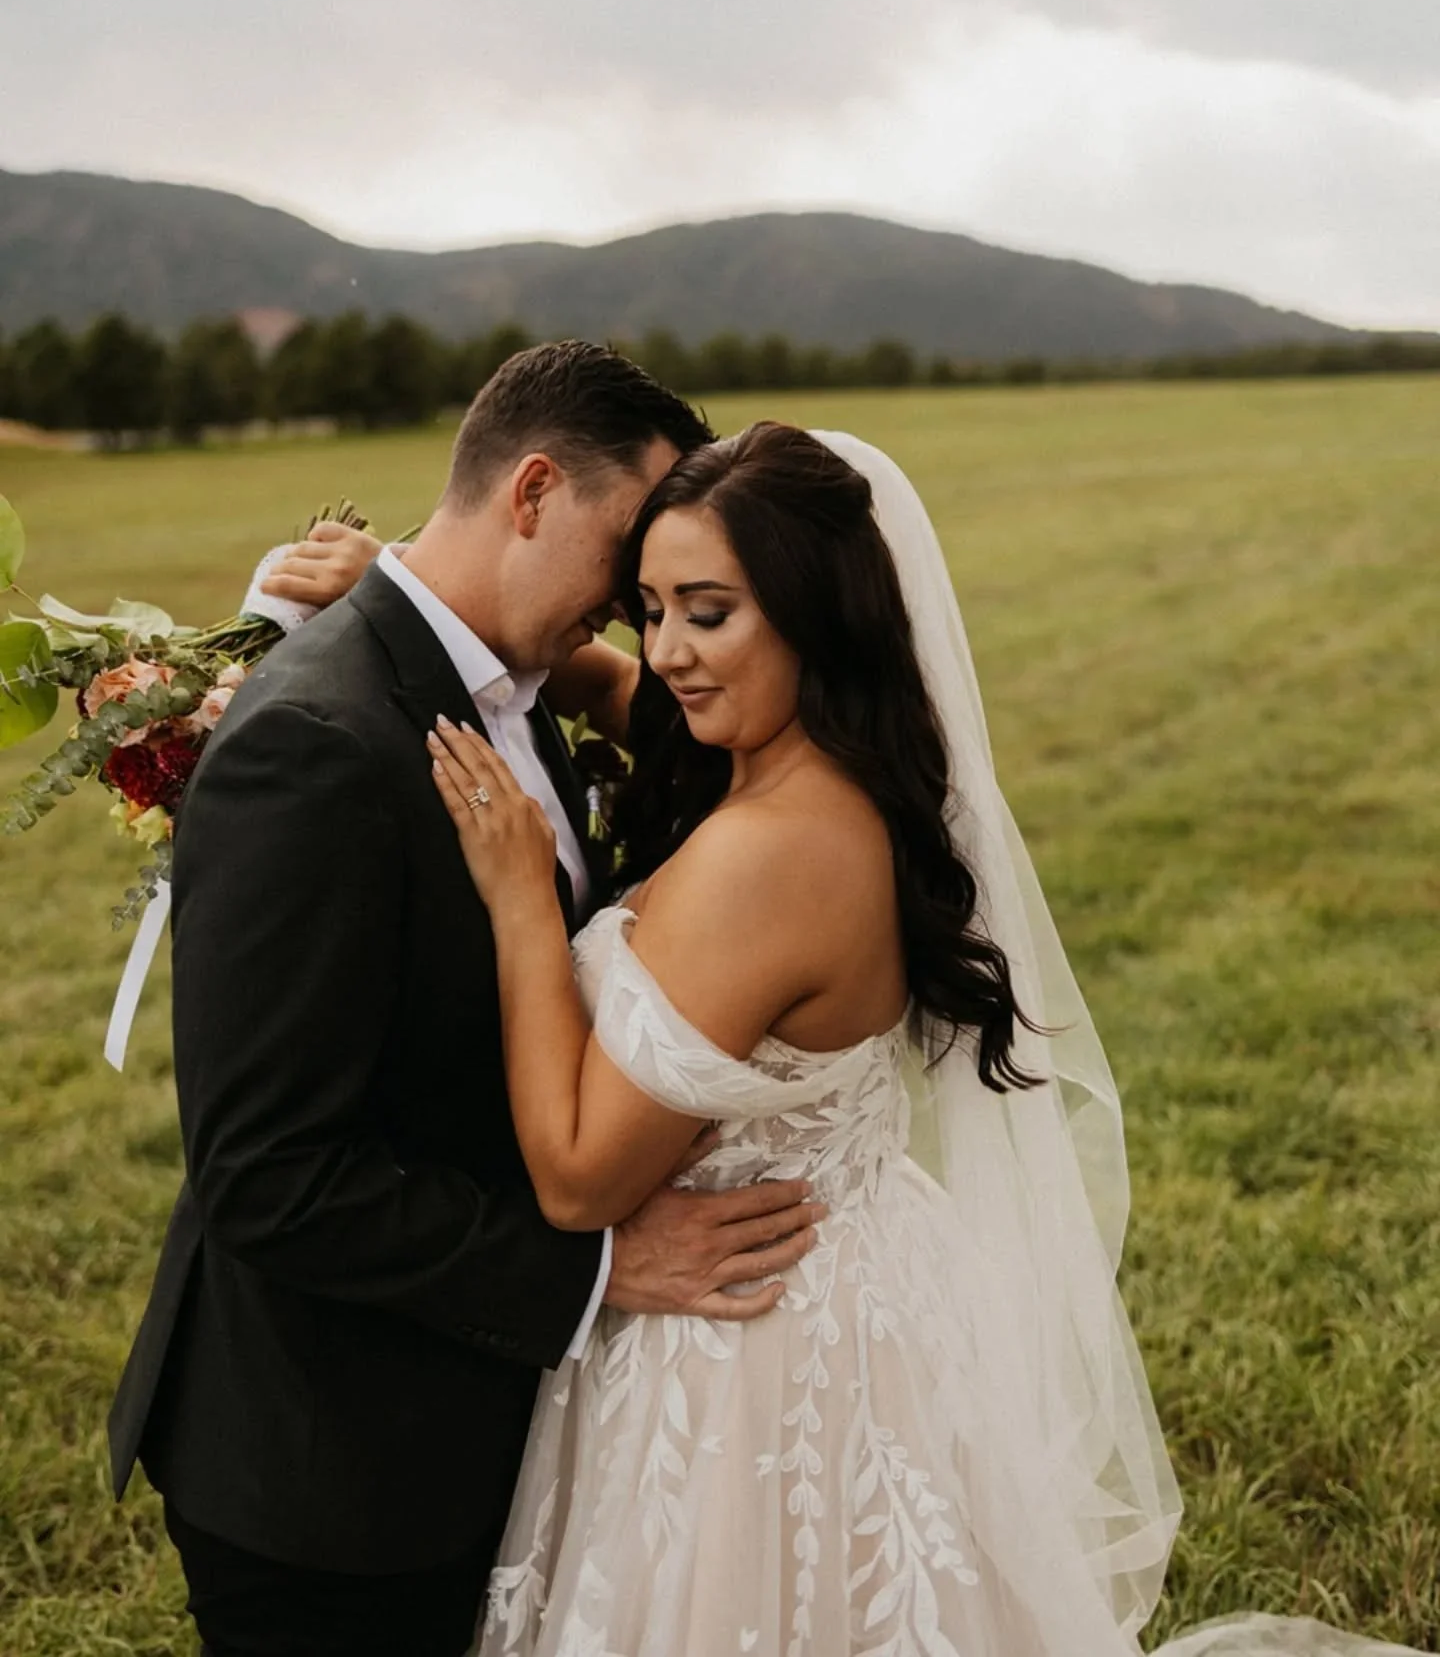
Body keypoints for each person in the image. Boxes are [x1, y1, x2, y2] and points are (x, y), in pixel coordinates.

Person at [409, 421, 1427, 1657]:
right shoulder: (845, 782)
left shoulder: (764, 860)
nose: (665, 651)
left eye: (709, 613)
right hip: (858, 1303)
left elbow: (576, 1179)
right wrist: (419, 593)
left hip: (745, 1361)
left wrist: (524, 900)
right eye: (648, 608)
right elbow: (646, 696)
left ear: (816, 617)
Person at [108, 346, 827, 1657]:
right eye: (626, 558)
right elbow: (269, 1174)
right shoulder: (314, 748)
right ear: (537, 490)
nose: (632, 610)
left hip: (462, 1429)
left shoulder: (512, 690)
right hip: (330, 1482)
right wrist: (603, 1263)